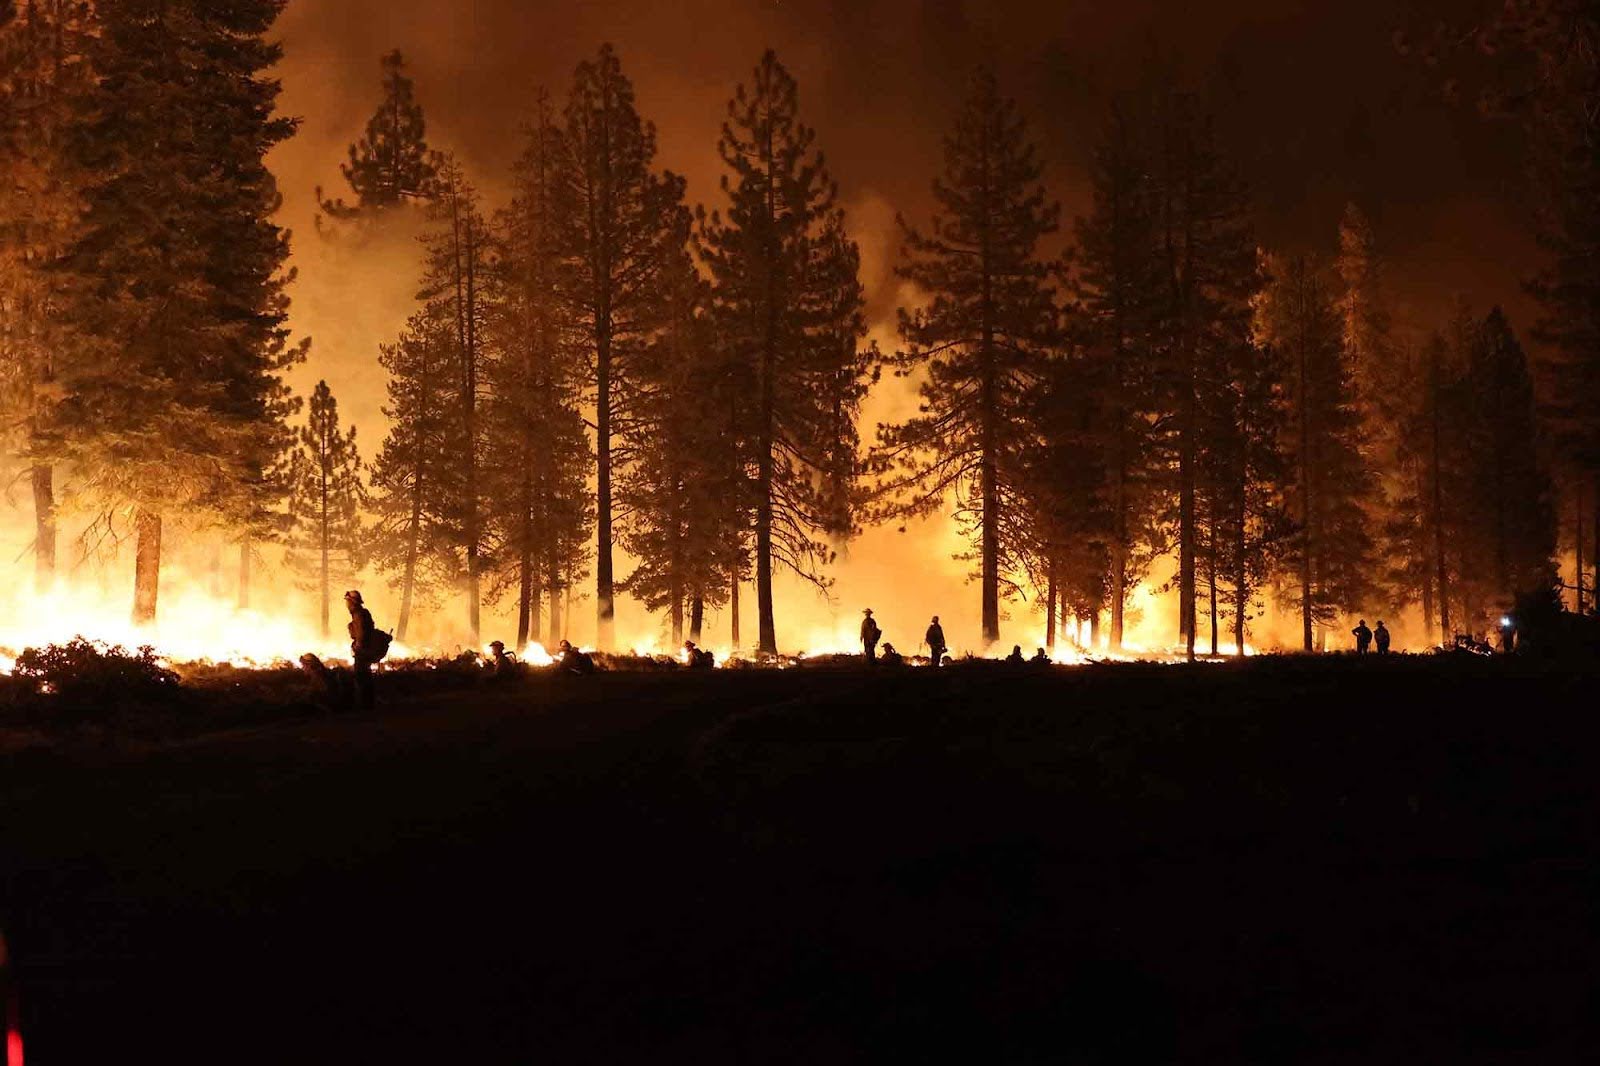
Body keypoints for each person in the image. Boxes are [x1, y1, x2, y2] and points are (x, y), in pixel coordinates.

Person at [345, 590, 379, 710]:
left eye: (348, 601)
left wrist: (358, 648)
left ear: (352, 602)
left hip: (363, 652)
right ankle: (368, 704)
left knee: (361, 677)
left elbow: (361, 634)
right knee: (365, 676)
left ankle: (365, 705)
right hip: (365, 650)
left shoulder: (359, 614)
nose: (346, 604)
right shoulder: (360, 613)